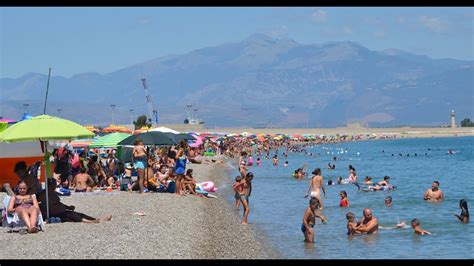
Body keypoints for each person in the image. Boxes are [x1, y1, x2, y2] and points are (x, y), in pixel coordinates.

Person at [37, 178, 112, 224]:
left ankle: (95, 219)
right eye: (54, 184)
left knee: (79, 214)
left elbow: (57, 203)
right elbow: (52, 206)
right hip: (55, 214)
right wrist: (66, 207)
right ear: (50, 185)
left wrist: (68, 207)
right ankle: (91, 222)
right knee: (72, 215)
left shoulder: (52, 193)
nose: (55, 186)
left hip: (61, 211)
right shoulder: (44, 195)